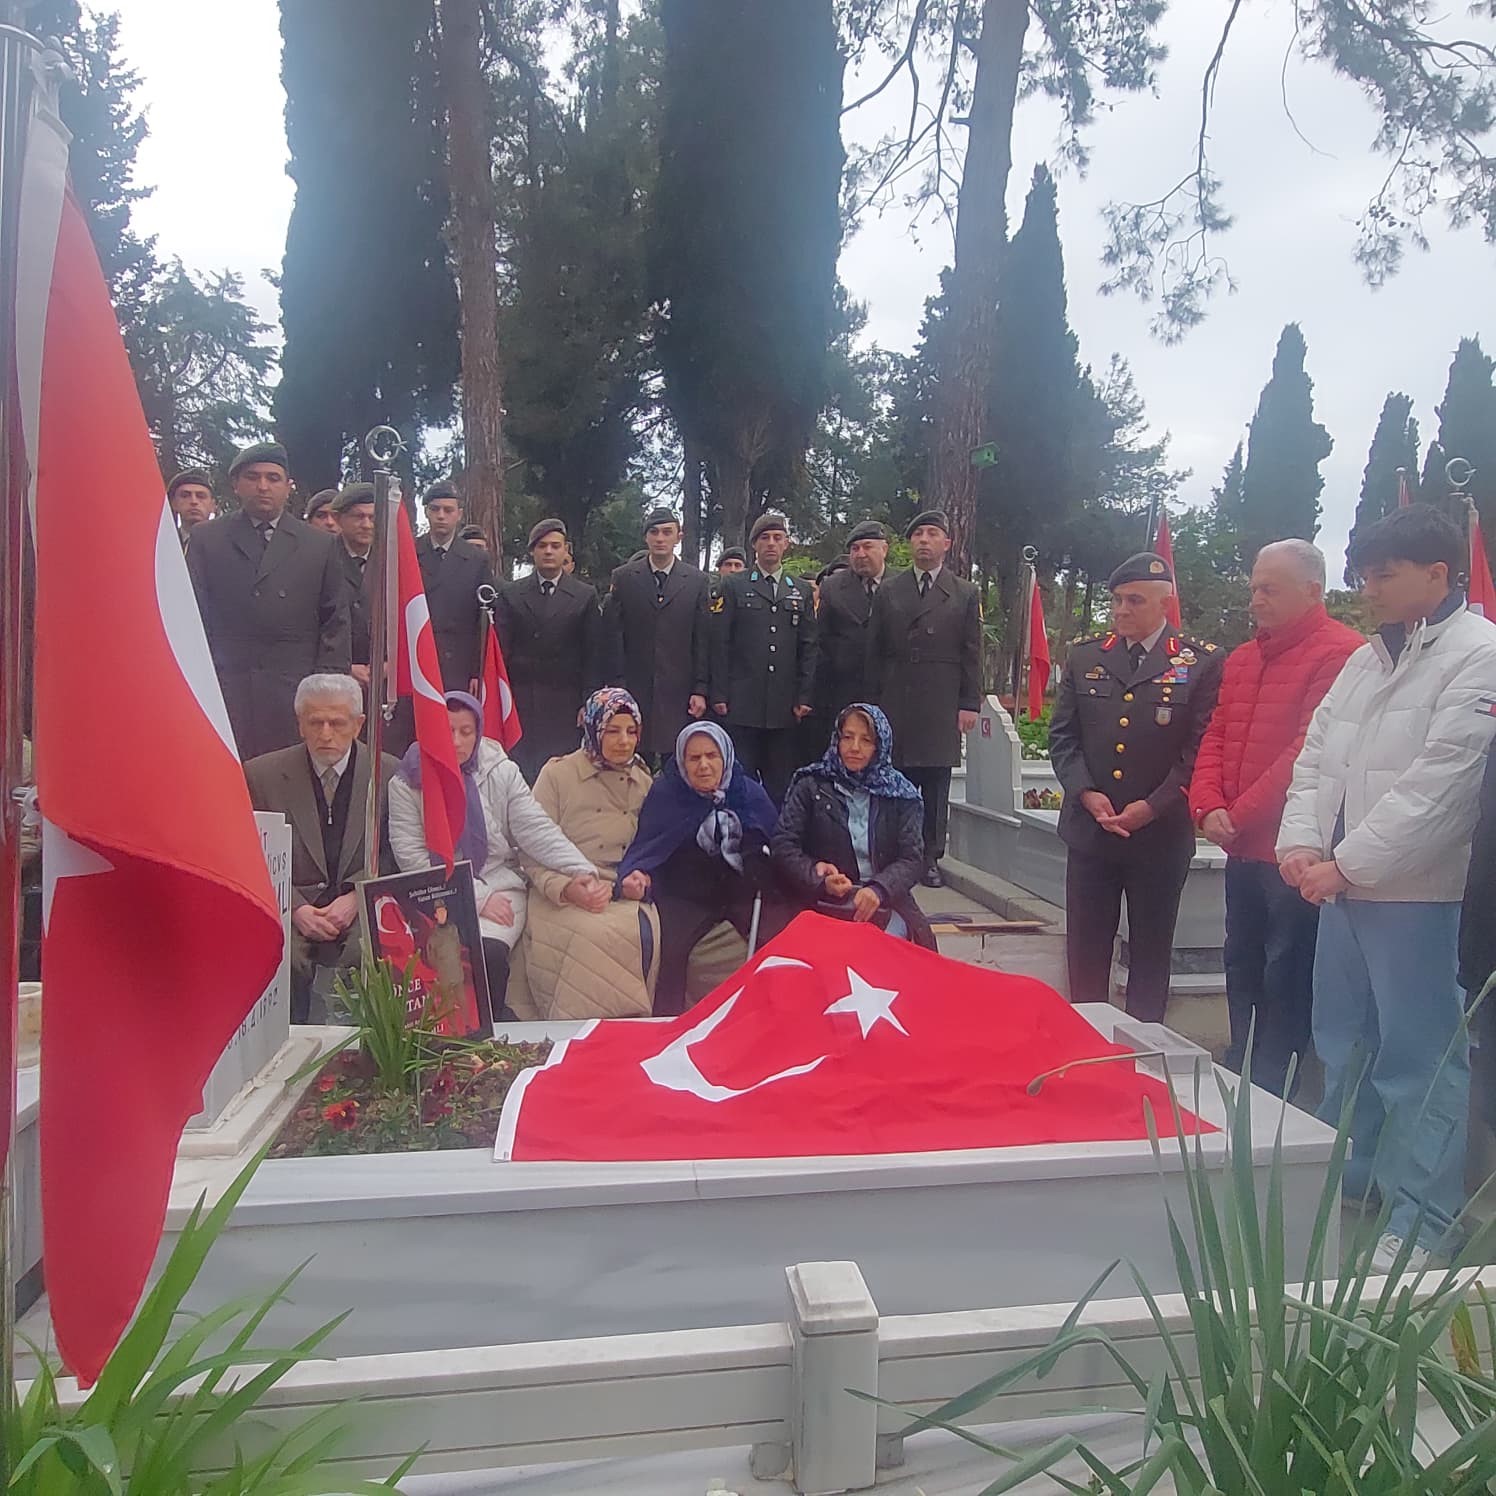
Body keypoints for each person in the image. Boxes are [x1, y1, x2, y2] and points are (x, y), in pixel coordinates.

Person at [1278, 505, 1496, 1271]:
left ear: (1438, 574)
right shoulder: (1368, 660)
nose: (1367, 589)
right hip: (1341, 889)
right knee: (1345, 1045)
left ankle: (1425, 1217)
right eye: (1363, 575)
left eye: (1384, 575)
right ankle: (1353, 1176)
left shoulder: (1478, 656)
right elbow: (1316, 758)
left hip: (1421, 895)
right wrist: (1301, 844)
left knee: (1420, 1060)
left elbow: (1444, 786)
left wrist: (1349, 863)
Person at [1188, 540, 1362, 1096]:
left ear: (1313, 591)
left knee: (1286, 968)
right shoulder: (1243, 658)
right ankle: (1241, 1062)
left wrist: (1236, 813)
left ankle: (1277, 1084)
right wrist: (1206, 804)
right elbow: (1216, 732)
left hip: (1292, 849)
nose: (1256, 600)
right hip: (1242, 845)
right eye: (1254, 588)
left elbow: (1306, 750)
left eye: (1269, 589)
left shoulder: (1340, 653)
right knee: (1240, 958)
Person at [1049, 551, 1223, 1022]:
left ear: (1164, 604)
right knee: (1086, 952)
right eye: (1117, 600)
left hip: (1159, 835)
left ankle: (1144, 1044)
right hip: (1091, 831)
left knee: (1151, 952)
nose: (1121, 610)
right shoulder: (1086, 656)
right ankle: (1086, 1038)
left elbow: (1199, 749)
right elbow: (1063, 737)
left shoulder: (1200, 662)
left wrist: (1153, 806)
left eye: (1135, 601)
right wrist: (1085, 792)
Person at [387, 690, 602, 1013]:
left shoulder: (500, 770)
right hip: (433, 891)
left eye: (466, 732)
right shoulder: (406, 782)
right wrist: (476, 899)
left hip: (498, 882)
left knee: (488, 954)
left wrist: (580, 869)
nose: (456, 742)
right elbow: (412, 858)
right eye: (447, 731)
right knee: (440, 955)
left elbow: (535, 829)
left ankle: (490, 1029)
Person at [244, 673, 399, 1022]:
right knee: (280, 956)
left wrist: (357, 897)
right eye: (315, 722)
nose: (326, 734)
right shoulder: (260, 776)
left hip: (362, 902)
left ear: (359, 724)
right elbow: (252, 854)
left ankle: (363, 1047)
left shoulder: (390, 773)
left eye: (337, 723)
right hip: (290, 901)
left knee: (368, 952)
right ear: (300, 724)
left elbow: (396, 853)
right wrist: (295, 907)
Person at [186, 440, 351, 759]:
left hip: (293, 692)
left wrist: (326, 691)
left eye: (273, 478)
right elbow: (192, 616)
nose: (263, 486)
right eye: (253, 477)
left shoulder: (318, 545)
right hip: (225, 689)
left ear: (288, 487)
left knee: (285, 777)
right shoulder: (208, 538)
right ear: (236, 485)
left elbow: (335, 621)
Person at [618, 721, 787, 1015]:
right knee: (670, 953)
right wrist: (639, 877)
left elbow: (776, 844)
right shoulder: (668, 794)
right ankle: (670, 1026)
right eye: (694, 758)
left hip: (741, 888)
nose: (704, 766)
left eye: (712, 756)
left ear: (726, 757)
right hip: (686, 892)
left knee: (781, 939)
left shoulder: (747, 792)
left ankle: (771, 1021)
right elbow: (649, 850)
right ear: (682, 763)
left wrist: (760, 860)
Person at [521, 688, 661, 1019]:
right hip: (562, 891)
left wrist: (642, 879)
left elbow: (655, 848)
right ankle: (577, 1035)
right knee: (591, 937)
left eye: (631, 731)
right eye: (612, 731)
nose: (624, 741)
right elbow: (529, 848)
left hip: (623, 892)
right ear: (594, 729)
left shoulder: (644, 782)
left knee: (642, 931)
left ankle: (629, 1034)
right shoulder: (557, 775)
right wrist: (566, 889)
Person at [867, 510, 981, 886]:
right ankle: (895, 855)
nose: (924, 540)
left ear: (946, 543)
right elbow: (874, 651)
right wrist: (873, 705)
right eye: (918, 534)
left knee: (935, 785)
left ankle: (930, 857)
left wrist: (969, 704)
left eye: (932, 534)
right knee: (893, 780)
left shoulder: (964, 593)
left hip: (940, 699)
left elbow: (972, 653)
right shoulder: (889, 590)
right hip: (897, 698)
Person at [772, 703, 936, 948]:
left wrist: (879, 889)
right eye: (847, 737)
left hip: (885, 902)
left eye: (866, 740)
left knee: (884, 954)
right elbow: (783, 845)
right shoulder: (811, 785)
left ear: (880, 746)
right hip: (820, 901)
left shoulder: (902, 795)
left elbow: (912, 859)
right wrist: (816, 875)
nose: (855, 747)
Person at [710, 512, 818, 804]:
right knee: (740, 781)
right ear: (754, 545)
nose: (771, 543)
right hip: (742, 703)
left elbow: (808, 646)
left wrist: (804, 695)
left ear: (786, 544)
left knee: (780, 785)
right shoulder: (734, 585)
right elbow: (720, 642)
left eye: (777, 538)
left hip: (784, 706)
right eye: (765, 538)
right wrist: (719, 693)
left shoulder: (800, 589)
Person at [495, 517, 606, 784]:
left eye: (555, 546)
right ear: (532, 551)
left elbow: (594, 654)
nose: (548, 551)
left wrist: (588, 701)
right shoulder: (511, 594)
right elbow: (501, 651)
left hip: (565, 704)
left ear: (566, 550)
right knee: (522, 774)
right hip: (522, 701)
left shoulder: (584, 595)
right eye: (542, 546)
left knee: (561, 775)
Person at [605, 507, 711, 763]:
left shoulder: (696, 581)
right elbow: (614, 637)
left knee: (676, 761)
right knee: (629, 760)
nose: (660, 538)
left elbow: (702, 639)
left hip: (679, 691)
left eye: (667, 532)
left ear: (678, 537)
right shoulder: (624, 577)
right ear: (646, 537)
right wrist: (617, 685)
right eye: (654, 532)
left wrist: (700, 689)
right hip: (634, 687)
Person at [417, 480, 495, 691]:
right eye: (435, 509)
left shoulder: (477, 560)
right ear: (426, 512)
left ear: (459, 514)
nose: (441, 516)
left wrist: (477, 672)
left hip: (459, 666)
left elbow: (482, 621)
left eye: (448, 510)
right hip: (417, 658)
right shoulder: (410, 553)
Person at [818, 520, 888, 722]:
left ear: (884, 550)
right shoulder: (832, 588)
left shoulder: (901, 586)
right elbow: (822, 643)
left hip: (888, 691)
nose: (861, 554)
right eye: (855, 549)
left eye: (867, 547)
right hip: (843, 691)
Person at [333, 483, 377, 692]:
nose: (366, 525)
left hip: (384, 678)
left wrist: (390, 664)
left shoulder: (394, 560)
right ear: (338, 519)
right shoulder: (320, 557)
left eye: (373, 518)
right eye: (359, 517)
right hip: (335, 678)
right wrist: (345, 666)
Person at [168, 468, 216, 547]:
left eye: (201, 496)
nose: (194, 501)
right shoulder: (163, 543)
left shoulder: (227, 544)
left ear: (213, 506)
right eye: (185, 496)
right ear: (174, 504)